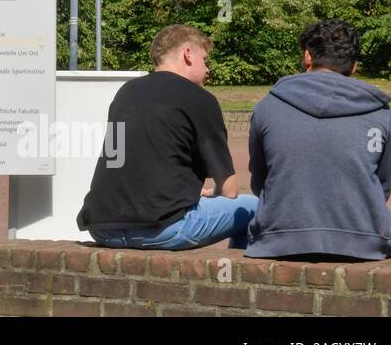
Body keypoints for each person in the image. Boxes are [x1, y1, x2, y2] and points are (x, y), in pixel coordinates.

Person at [77, 24, 257, 250]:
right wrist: (207, 196)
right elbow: (229, 191)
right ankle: (237, 279)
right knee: (255, 208)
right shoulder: (200, 99)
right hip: (163, 228)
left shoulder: (126, 92)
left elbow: (119, 159)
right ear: (188, 54)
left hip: (103, 227)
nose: (208, 69)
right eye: (205, 59)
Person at [246, 20, 391, 260]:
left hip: (279, 239)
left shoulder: (268, 107)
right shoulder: (379, 113)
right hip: (363, 241)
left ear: (308, 57)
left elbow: (259, 181)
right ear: (353, 66)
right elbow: (382, 187)